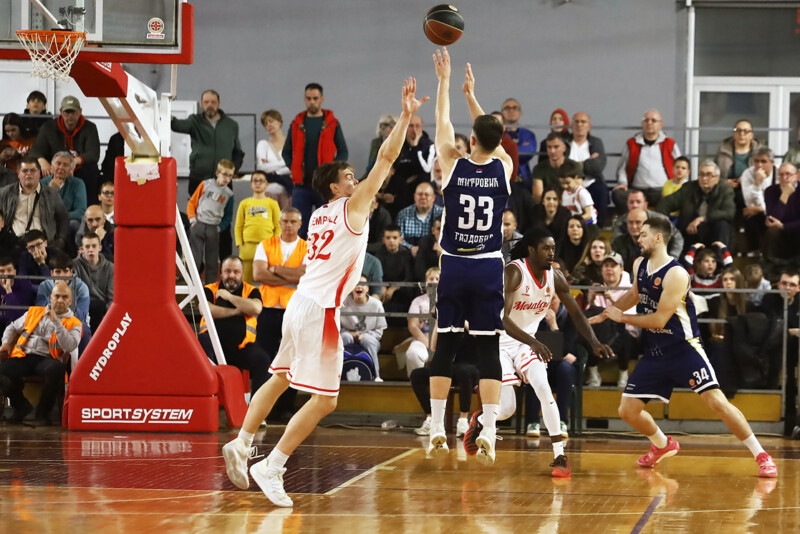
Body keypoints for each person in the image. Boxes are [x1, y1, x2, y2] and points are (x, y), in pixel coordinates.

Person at [221, 76, 427, 507]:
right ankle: (272, 466)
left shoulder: (318, 216)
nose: (357, 180)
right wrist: (405, 115)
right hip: (321, 310)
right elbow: (387, 157)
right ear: (336, 187)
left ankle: (242, 442)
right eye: (350, 177)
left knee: (279, 378)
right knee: (326, 401)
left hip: (299, 303)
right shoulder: (352, 207)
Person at [589, 217, 777, 477]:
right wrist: (606, 314)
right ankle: (662, 445)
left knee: (717, 402)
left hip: (684, 348)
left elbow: (659, 319)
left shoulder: (676, 274)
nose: (638, 238)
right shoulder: (639, 263)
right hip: (655, 350)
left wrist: (622, 318)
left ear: (658, 238)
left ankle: (762, 455)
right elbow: (634, 294)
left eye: (643, 234)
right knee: (627, 411)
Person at [424, 49, 512, 466]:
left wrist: (446, 82)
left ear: (471, 140)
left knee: (445, 346)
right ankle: (489, 428)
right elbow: (492, 134)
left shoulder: (452, 164)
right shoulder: (504, 167)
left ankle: (437, 427)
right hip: (489, 264)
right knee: (488, 348)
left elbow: (442, 123)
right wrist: (472, 96)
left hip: (456, 265)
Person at [468, 228, 611, 477]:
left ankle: (560, 456)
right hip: (500, 343)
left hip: (525, 343)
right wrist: (533, 342)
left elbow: (576, 313)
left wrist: (594, 341)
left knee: (543, 388)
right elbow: (502, 319)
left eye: (553, 248)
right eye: (546, 248)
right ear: (532, 250)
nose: (551, 253)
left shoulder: (555, 277)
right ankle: (480, 420)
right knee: (507, 409)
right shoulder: (514, 272)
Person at [0, 281, 82, 425]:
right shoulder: (34, 312)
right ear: (51, 297)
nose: (60, 300)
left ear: (70, 301)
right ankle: (21, 407)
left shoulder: (74, 323)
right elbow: (12, 327)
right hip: (24, 356)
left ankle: (42, 414)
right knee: (2, 372)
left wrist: (57, 322)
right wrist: (6, 343)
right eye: (57, 296)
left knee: (56, 370)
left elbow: (70, 345)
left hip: (48, 359)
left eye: (64, 297)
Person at [252, 207, 307, 420]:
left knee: (292, 360)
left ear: (300, 224)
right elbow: (258, 274)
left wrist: (275, 269)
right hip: (267, 309)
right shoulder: (266, 244)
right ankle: (262, 410)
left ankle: (285, 408)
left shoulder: (307, 247)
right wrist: (291, 276)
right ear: (280, 222)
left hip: (293, 310)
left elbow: (305, 276)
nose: (289, 225)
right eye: (285, 221)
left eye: (293, 221)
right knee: (265, 359)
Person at [282, 83, 349, 239]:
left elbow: (343, 151)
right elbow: (286, 152)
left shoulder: (332, 124)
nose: (312, 102)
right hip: (301, 186)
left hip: (325, 187)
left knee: (326, 230)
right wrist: (294, 168)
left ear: (322, 99)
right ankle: (300, 256)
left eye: (315, 98)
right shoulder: (297, 124)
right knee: (299, 230)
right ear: (305, 99)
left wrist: (332, 172)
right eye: (308, 98)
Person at [198, 256, 270, 395]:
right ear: (221, 272)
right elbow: (205, 310)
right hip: (213, 347)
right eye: (227, 271)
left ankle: (255, 405)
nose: (231, 275)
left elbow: (256, 308)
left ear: (242, 273)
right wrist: (237, 311)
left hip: (241, 347)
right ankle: (207, 396)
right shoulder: (209, 289)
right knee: (202, 341)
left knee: (263, 360)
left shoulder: (251, 290)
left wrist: (229, 297)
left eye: (236, 272)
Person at [171, 89, 245, 196]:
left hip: (223, 180)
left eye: (213, 102)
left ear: (218, 104)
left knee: (223, 206)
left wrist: (233, 169)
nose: (210, 105)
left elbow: (238, 152)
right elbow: (178, 125)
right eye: (206, 102)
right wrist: (169, 117)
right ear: (202, 104)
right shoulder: (194, 121)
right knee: (197, 206)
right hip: (198, 179)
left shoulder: (231, 125)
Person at [584, 251, 639, 387]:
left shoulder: (630, 289)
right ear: (602, 270)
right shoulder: (598, 288)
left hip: (626, 336)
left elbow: (628, 320)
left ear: (621, 269)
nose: (609, 269)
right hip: (603, 335)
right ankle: (593, 375)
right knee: (589, 330)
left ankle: (623, 375)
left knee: (624, 333)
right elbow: (592, 318)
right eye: (606, 266)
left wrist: (612, 300)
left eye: (613, 266)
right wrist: (591, 300)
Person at [32, 96, 101, 201]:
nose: (70, 116)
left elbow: (93, 154)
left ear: (80, 111)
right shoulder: (48, 127)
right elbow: (35, 150)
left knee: (91, 170)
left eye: (73, 112)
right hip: (54, 168)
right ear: (61, 112)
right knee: (39, 170)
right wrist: (42, 161)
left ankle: (90, 205)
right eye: (67, 112)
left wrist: (73, 162)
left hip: (79, 168)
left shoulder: (90, 127)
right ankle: (39, 203)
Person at [657, 160, 735, 252]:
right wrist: (663, 224)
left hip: (713, 232)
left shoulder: (725, 190)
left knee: (722, 224)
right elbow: (665, 203)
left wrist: (704, 218)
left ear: (717, 178)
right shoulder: (688, 188)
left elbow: (729, 213)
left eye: (709, 175)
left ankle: (721, 258)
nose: (704, 178)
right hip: (690, 232)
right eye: (701, 174)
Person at [614, 110, 681, 209]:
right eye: (646, 120)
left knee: (678, 196)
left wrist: (679, 184)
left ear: (661, 125)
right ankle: (635, 216)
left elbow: (681, 166)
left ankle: (658, 218)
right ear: (642, 124)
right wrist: (623, 183)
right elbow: (622, 168)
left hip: (662, 191)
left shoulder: (670, 144)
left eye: (653, 120)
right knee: (618, 194)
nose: (649, 123)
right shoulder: (632, 143)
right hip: (638, 191)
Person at [0, 157, 70, 252]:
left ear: (39, 173)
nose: (29, 174)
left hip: (44, 244)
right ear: (18, 173)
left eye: (33, 170)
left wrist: (61, 240)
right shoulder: (4, 193)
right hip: (14, 245)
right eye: (25, 171)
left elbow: (64, 218)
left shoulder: (51, 194)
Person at [187, 159, 235, 284]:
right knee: (195, 259)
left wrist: (219, 228)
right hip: (199, 223)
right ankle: (193, 287)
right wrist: (193, 220)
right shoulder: (205, 184)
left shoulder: (229, 194)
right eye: (225, 174)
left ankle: (210, 288)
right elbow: (192, 202)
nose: (227, 178)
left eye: (230, 176)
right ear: (218, 173)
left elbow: (228, 216)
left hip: (214, 228)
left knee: (212, 261)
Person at [234, 170, 282, 284]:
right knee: (245, 281)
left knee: (267, 279)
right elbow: (238, 226)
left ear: (266, 184)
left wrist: (275, 244)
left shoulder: (272, 203)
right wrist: (239, 243)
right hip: (248, 246)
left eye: (261, 181)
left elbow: (278, 226)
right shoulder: (244, 203)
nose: (258, 183)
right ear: (251, 184)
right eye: (255, 181)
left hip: (267, 246)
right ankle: (245, 295)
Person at [340, 276, 387, 381]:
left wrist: (364, 335)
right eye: (356, 284)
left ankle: (376, 376)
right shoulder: (342, 303)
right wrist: (350, 333)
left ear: (368, 288)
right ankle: (335, 374)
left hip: (369, 338)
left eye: (362, 284)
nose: (359, 286)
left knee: (367, 340)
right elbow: (336, 327)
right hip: (347, 334)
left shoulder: (377, 305)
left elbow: (379, 331)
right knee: (345, 337)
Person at [568, 112, 609, 226]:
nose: (579, 125)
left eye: (583, 122)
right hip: (569, 185)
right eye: (576, 122)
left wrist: (574, 166)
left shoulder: (596, 142)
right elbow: (564, 167)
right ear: (571, 125)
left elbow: (598, 167)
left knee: (601, 190)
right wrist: (587, 162)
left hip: (590, 183)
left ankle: (599, 227)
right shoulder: (566, 143)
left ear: (589, 126)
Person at [397, 267, 439, 376]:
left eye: (437, 279)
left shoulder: (448, 300)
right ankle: (418, 383)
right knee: (413, 354)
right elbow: (413, 326)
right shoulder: (418, 301)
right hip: (422, 339)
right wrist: (428, 343)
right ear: (426, 281)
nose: (434, 282)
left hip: (442, 341)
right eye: (431, 279)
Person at [40, 151, 88, 242]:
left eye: (65, 165)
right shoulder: (42, 183)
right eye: (58, 163)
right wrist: (51, 190)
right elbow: (40, 209)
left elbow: (81, 211)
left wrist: (60, 218)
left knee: (74, 225)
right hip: (46, 222)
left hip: (69, 221)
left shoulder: (78, 183)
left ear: (70, 169)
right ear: (52, 167)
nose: (61, 167)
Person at [73, 232, 114, 332]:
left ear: (100, 248)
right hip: (83, 307)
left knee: (99, 306)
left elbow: (111, 297)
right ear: (82, 249)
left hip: (103, 309)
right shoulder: (75, 265)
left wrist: (107, 317)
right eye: (87, 247)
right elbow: (75, 293)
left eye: (94, 246)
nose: (91, 249)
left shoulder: (110, 267)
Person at [35, 253, 90, 326]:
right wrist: (56, 290)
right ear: (52, 273)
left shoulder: (82, 287)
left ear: (71, 272)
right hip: (50, 323)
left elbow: (81, 316)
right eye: (58, 271)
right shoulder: (44, 286)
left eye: (65, 271)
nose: (62, 275)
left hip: (75, 323)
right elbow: (40, 312)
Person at [739, 147, 776, 252]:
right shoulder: (748, 174)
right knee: (750, 217)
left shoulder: (779, 173)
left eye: (763, 161)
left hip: (776, 212)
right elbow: (749, 203)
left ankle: (772, 253)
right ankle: (756, 252)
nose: (759, 165)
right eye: (756, 161)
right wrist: (757, 184)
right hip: (757, 213)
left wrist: (761, 209)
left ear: (772, 162)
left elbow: (780, 203)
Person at [763, 162, 800, 261]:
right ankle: (770, 264)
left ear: (797, 176)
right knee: (772, 231)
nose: (784, 178)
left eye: (788, 174)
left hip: (796, 230)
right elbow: (772, 220)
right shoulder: (770, 191)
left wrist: (784, 226)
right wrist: (785, 195)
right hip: (780, 234)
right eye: (781, 175)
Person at [256, 109, 292, 210]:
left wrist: (275, 172)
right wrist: (285, 163)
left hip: (289, 193)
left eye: (271, 121)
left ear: (279, 122)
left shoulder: (292, 143)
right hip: (269, 192)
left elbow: (295, 166)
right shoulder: (263, 144)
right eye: (265, 123)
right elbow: (261, 167)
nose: (268, 124)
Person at [395, 181, 443, 254]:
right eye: (420, 194)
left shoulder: (442, 214)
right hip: (408, 254)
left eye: (427, 195)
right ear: (415, 197)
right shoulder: (403, 214)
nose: (423, 197)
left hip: (433, 254)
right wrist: (411, 248)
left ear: (433, 197)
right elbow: (398, 238)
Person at [500, 98, 537, 188]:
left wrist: (508, 149)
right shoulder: (497, 135)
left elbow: (528, 153)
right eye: (507, 108)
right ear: (502, 113)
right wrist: (520, 147)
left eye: (515, 108)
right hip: (502, 180)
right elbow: (498, 155)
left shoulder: (528, 134)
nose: (511, 110)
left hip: (524, 180)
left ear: (520, 113)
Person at [532, 133, 574, 203]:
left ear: (564, 148)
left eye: (556, 147)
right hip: (547, 205)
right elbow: (538, 197)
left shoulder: (574, 166)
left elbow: (578, 192)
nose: (552, 151)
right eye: (549, 147)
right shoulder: (538, 168)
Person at [0, 256, 36, 334]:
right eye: (2, 271)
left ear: (15, 272)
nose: (6, 274)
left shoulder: (25, 286)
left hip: (18, 330)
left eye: (9, 270)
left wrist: (8, 290)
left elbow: (18, 318)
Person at [413, 216, 443, 281]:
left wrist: (443, 256)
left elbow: (457, 270)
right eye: (439, 229)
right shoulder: (425, 242)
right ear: (433, 231)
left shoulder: (455, 244)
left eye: (445, 229)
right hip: (428, 281)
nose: (442, 232)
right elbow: (419, 268)